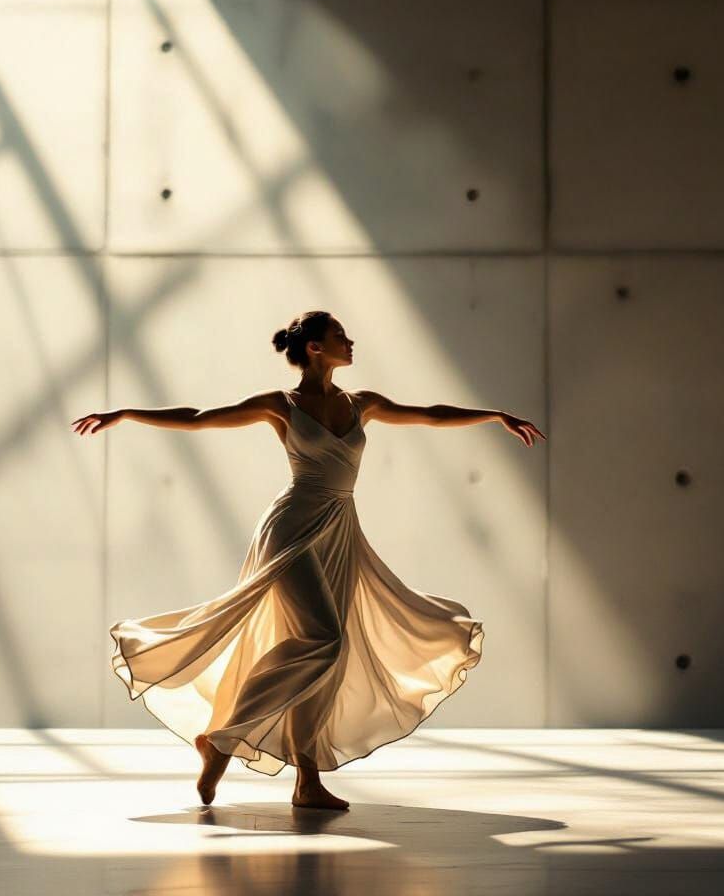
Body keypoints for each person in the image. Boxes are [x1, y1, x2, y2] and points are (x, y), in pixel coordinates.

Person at [71, 311, 545, 810]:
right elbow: (198, 417)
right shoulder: (282, 405)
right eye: (341, 335)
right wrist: (125, 414)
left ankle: (307, 781)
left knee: (326, 658)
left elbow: (429, 412)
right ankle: (222, 738)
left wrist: (493, 416)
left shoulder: (362, 404)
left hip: (340, 532)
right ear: (316, 348)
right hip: (293, 527)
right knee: (322, 638)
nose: (351, 341)